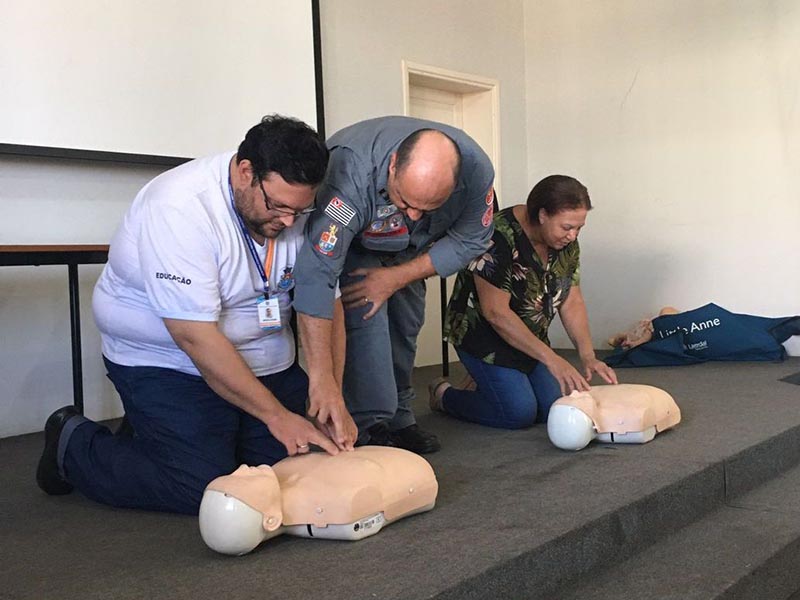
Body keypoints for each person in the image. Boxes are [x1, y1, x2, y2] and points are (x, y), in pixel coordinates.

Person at [36, 115, 357, 515]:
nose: (289, 222)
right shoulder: (179, 207)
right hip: (168, 360)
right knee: (207, 488)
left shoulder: (305, 208)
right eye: (278, 207)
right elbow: (193, 336)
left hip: (265, 358)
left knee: (302, 462)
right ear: (245, 172)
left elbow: (325, 298)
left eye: (300, 210)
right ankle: (73, 443)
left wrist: (329, 389)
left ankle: (166, 430)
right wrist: (276, 416)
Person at [293, 116, 495, 454]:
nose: (414, 215)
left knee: (406, 327)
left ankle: (400, 419)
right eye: (405, 202)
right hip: (356, 247)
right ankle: (367, 423)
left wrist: (395, 277)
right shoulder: (349, 170)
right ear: (392, 166)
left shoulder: (475, 172)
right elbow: (317, 270)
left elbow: (472, 239)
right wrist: (322, 379)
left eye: (428, 207)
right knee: (367, 323)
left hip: (411, 253)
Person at [431, 175, 618, 429]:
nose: (573, 236)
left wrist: (587, 355)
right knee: (519, 413)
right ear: (542, 215)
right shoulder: (497, 236)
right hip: (484, 337)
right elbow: (495, 313)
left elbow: (571, 300)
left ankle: (487, 381)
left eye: (579, 228)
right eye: (567, 227)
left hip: (528, 337)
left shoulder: (565, 242)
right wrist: (553, 360)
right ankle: (444, 396)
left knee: (554, 406)